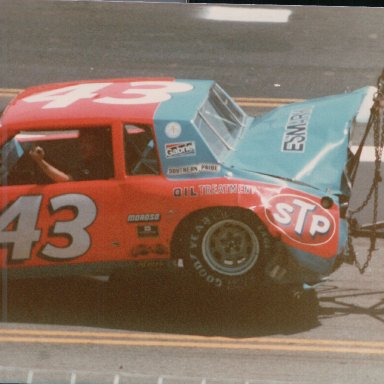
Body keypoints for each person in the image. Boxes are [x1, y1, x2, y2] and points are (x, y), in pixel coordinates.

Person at [29, 129, 114, 183]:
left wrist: (40, 161)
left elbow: (66, 180)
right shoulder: (100, 161)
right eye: (81, 142)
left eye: (88, 142)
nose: (82, 147)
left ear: (99, 144)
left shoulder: (98, 167)